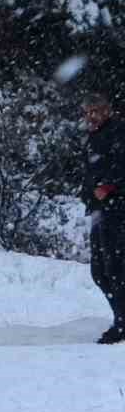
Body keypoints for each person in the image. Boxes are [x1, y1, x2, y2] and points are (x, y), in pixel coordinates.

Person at [82, 93, 125, 343]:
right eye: (88, 112)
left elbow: (119, 167)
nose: (92, 116)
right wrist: (87, 193)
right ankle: (120, 317)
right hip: (100, 210)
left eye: (96, 110)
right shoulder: (94, 136)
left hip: (118, 208)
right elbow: (91, 171)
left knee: (116, 268)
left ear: (107, 110)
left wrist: (109, 185)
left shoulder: (118, 132)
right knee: (99, 271)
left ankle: (121, 323)